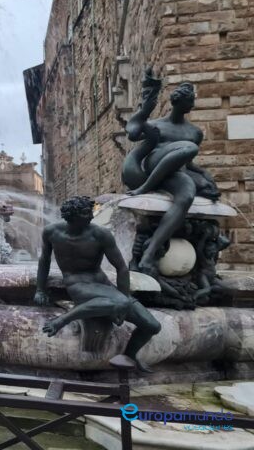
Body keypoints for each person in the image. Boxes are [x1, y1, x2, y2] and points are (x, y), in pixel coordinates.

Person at [33, 196, 160, 372]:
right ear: (72, 216)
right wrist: (40, 290)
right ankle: (61, 320)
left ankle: (129, 356)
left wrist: (124, 299)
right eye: (86, 213)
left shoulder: (100, 234)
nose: (91, 216)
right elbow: (44, 261)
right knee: (121, 303)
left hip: (103, 285)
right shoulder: (51, 232)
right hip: (77, 285)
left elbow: (122, 268)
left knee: (152, 326)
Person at [122, 70, 220, 276]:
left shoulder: (195, 132)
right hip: (152, 167)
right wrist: (145, 108)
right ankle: (145, 187)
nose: (192, 105)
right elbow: (132, 133)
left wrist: (204, 174)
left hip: (173, 173)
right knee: (190, 147)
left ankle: (150, 252)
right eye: (190, 101)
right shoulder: (157, 125)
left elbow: (188, 164)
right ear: (178, 102)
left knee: (187, 194)